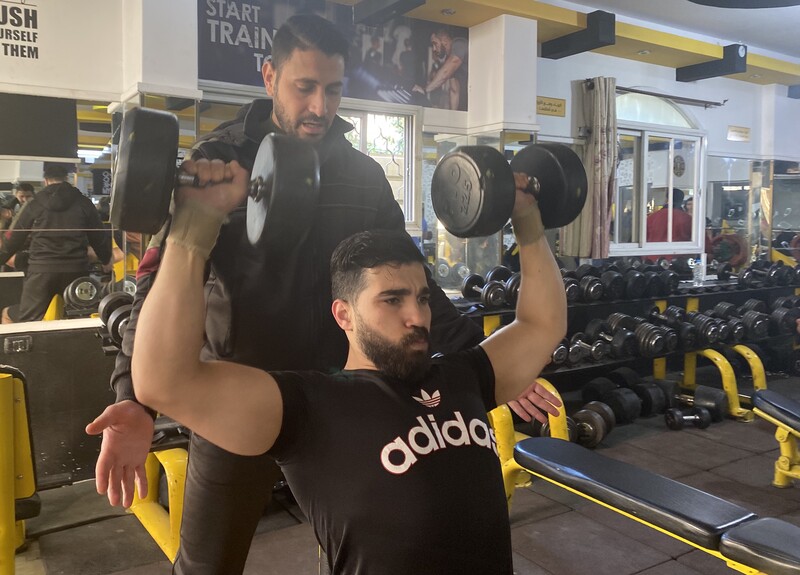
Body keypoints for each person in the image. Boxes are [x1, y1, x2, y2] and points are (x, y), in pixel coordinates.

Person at [85, 14, 546, 575]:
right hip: (241, 391)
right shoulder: (219, 162)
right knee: (208, 564)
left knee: (363, 543)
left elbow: (412, 282)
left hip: (339, 400)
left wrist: (486, 369)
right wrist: (134, 397)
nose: (320, 108)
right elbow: (157, 284)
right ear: (270, 76)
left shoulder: (362, 176)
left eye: (333, 90)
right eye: (305, 87)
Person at [130, 156, 567, 573]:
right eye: (392, 300)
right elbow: (164, 381)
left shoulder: (464, 376)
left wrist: (526, 217)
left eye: (422, 298)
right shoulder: (311, 409)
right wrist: (193, 230)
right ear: (343, 315)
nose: (417, 317)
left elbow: (541, 325)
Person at [0, 164, 113, 323]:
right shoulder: (83, 202)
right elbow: (98, 235)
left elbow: (14, 238)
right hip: (76, 270)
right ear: (66, 178)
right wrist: (106, 258)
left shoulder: (35, 204)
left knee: (28, 322)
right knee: (77, 319)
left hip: (41, 272)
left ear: (45, 180)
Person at [414, 27, 468, 111]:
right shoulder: (448, 59)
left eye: (435, 44)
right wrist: (453, 116)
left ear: (444, 40)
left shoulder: (459, 44)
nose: (434, 49)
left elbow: (445, 73)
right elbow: (454, 90)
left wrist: (425, 90)